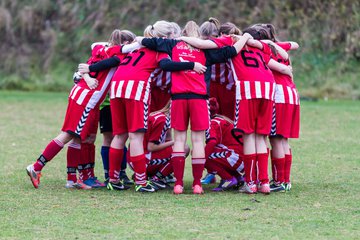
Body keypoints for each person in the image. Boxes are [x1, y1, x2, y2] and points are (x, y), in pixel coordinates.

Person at [83, 23, 207, 193]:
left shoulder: (133, 47)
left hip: (117, 88)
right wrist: (190, 65)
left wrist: (89, 68)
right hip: (136, 88)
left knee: (120, 135)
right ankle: (141, 182)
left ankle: (113, 179)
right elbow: (165, 65)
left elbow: (112, 57)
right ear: (166, 37)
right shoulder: (159, 49)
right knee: (136, 136)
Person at [137, 21, 253, 194]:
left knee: (180, 140)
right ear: (198, 35)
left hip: (178, 98)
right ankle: (197, 184)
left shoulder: (172, 44)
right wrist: (244, 37)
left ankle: (178, 184)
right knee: (198, 140)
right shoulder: (206, 50)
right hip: (199, 99)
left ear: (183, 33)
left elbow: (145, 41)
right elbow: (231, 52)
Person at [26, 29, 127, 189]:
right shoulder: (117, 55)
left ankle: (72, 179)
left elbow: (88, 66)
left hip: (82, 96)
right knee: (69, 134)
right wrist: (87, 75)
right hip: (87, 99)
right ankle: (36, 167)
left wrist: (87, 74)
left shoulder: (100, 50)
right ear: (125, 44)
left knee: (78, 137)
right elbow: (102, 64)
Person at [252, 24, 300, 192]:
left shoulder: (264, 51)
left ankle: (280, 182)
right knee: (284, 139)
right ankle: (285, 181)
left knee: (276, 138)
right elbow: (294, 44)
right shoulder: (279, 47)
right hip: (292, 93)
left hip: (279, 95)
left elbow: (278, 67)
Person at [205, 98, 244, 192]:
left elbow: (212, 142)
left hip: (237, 157)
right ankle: (238, 178)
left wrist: (201, 159)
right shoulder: (221, 119)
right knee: (215, 155)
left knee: (201, 154)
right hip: (242, 157)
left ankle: (228, 179)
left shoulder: (213, 123)